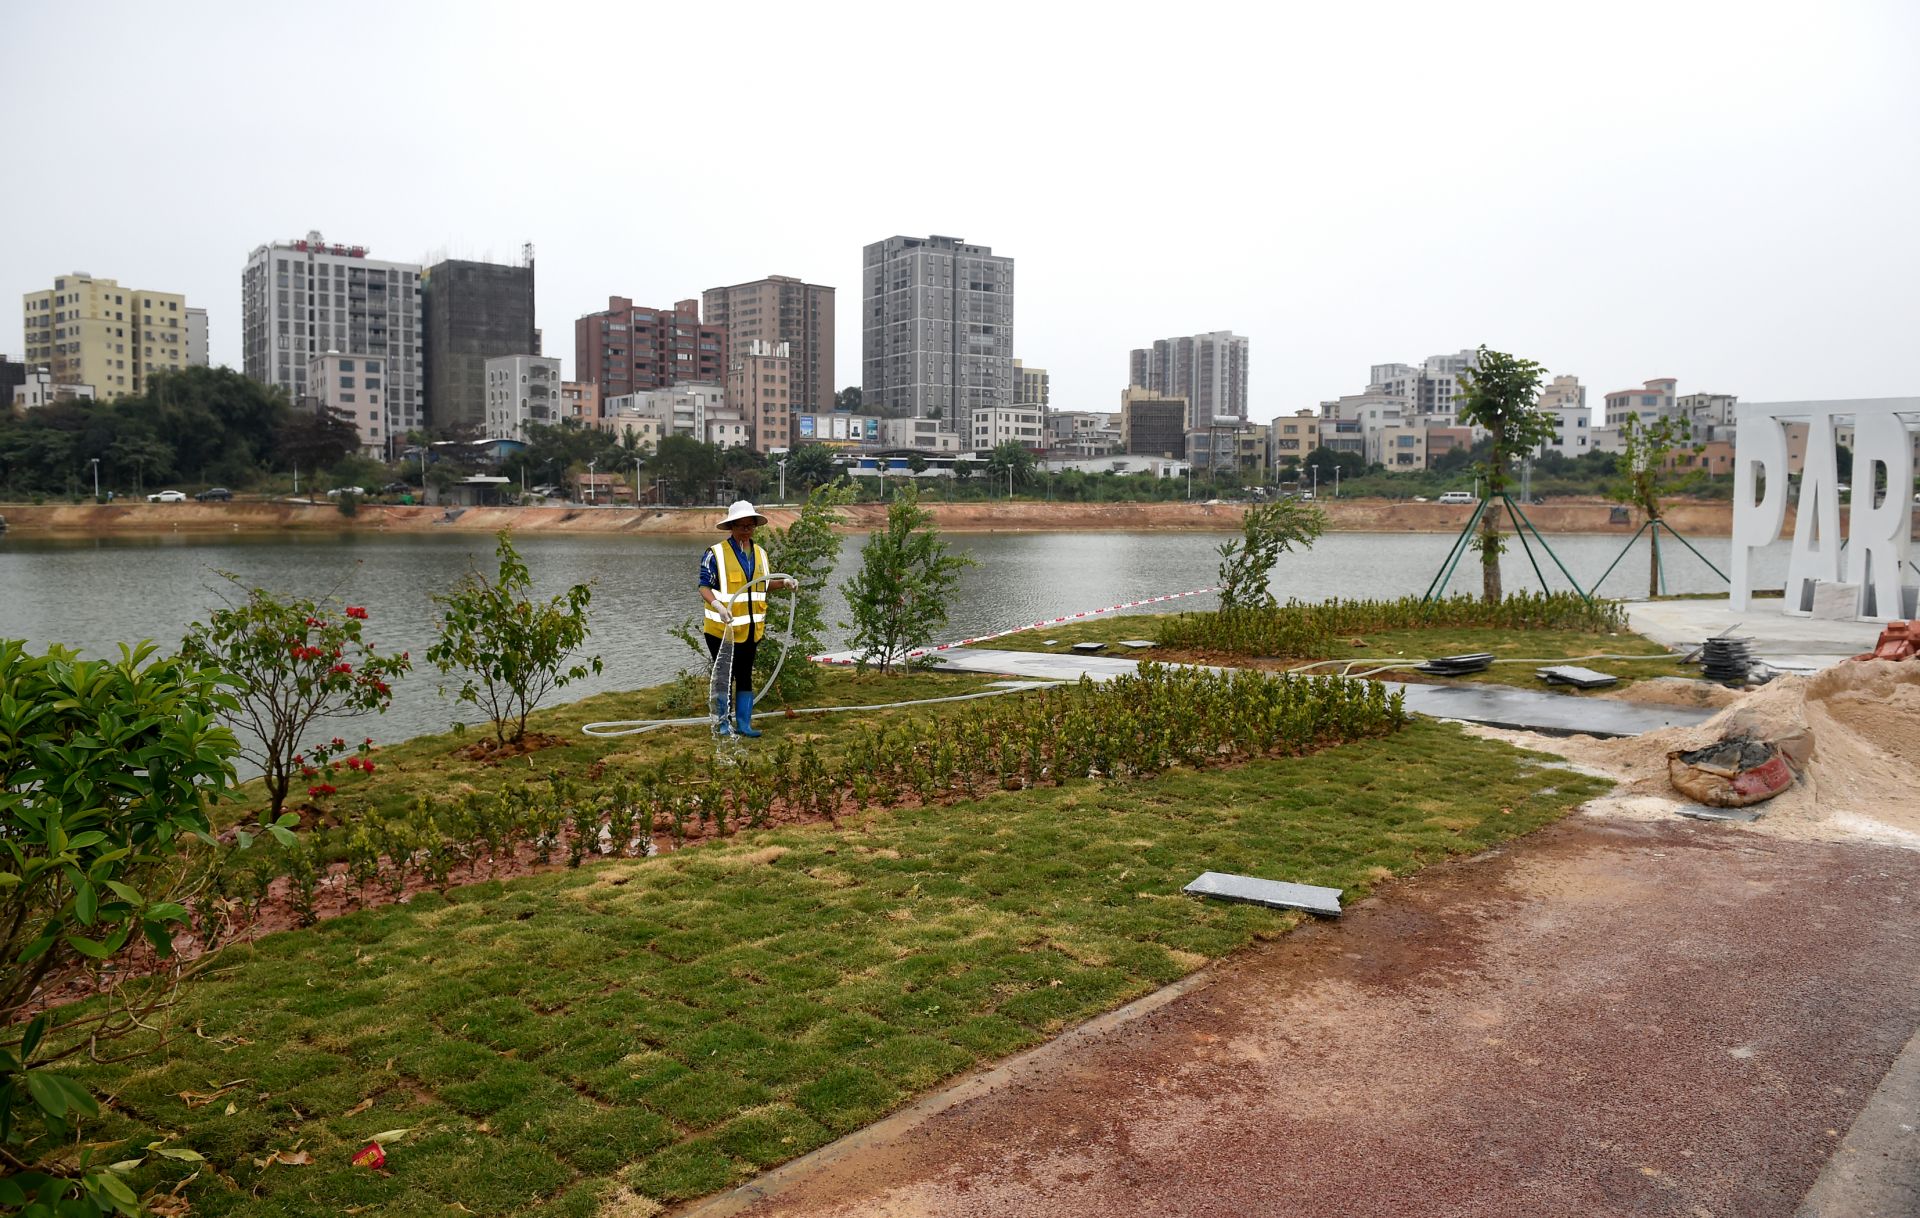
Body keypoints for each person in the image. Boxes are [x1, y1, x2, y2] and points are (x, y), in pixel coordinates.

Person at [699, 501, 796, 737]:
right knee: (725, 676)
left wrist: (783, 583)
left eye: (750, 526)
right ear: (731, 526)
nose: (746, 530)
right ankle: (722, 723)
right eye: (741, 526)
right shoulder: (715, 554)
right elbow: (704, 587)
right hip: (721, 630)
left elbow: (761, 586)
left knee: (744, 675)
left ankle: (744, 724)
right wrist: (718, 606)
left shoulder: (760, 554)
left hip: (751, 631)